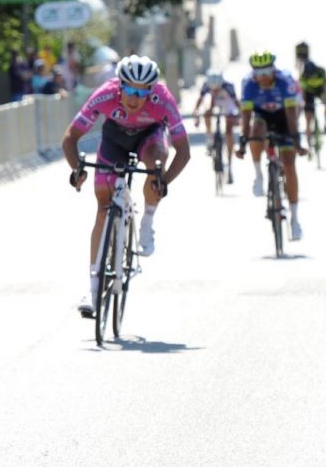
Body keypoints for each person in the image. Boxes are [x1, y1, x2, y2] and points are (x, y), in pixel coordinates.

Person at [62, 55, 190, 318]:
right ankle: (93, 290)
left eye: (142, 92)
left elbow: (184, 152)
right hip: (114, 138)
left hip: (150, 137)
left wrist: (162, 181)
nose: (134, 98)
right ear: (119, 86)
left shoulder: (163, 100)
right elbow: (70, 137)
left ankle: (147, 223)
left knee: (154, 165)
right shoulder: (105, 95)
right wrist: (77, 169)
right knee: (102, 207)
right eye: (129, 90)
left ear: (152, 91)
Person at [237, 51, 307, 240]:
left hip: (284, 116)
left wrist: (295, 139)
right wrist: (244, 141)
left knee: (290, 165)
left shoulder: (285, 81)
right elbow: (246, 116)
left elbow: (292, 114)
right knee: (256, 130)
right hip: (262, 116)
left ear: (273, 71)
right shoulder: (249, 84)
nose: (263, 79)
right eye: (258, 75)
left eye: (266, 74)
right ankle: (259, 175)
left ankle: (294, 219)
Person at [190, 69, 240, 184]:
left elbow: (236, 103)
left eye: (217, 88)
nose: (215, 90)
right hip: (214, 102)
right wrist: (196, 112)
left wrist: (239, 116)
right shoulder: (206, 85)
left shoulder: (228, 86)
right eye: (213, 88)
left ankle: (230, 161)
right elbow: (200, 100)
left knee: (228, 130)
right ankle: (209, 137)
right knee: (207, 112)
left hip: (227, 104)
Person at [294, 42, 326, 141]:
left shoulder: (321, 72)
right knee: (308, 116)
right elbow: (302, 92)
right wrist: (303, 104)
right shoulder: (303, 76)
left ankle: (325, 124)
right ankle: (308, 134)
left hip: (319, 90)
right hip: (308, 92)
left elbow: (325, 87)